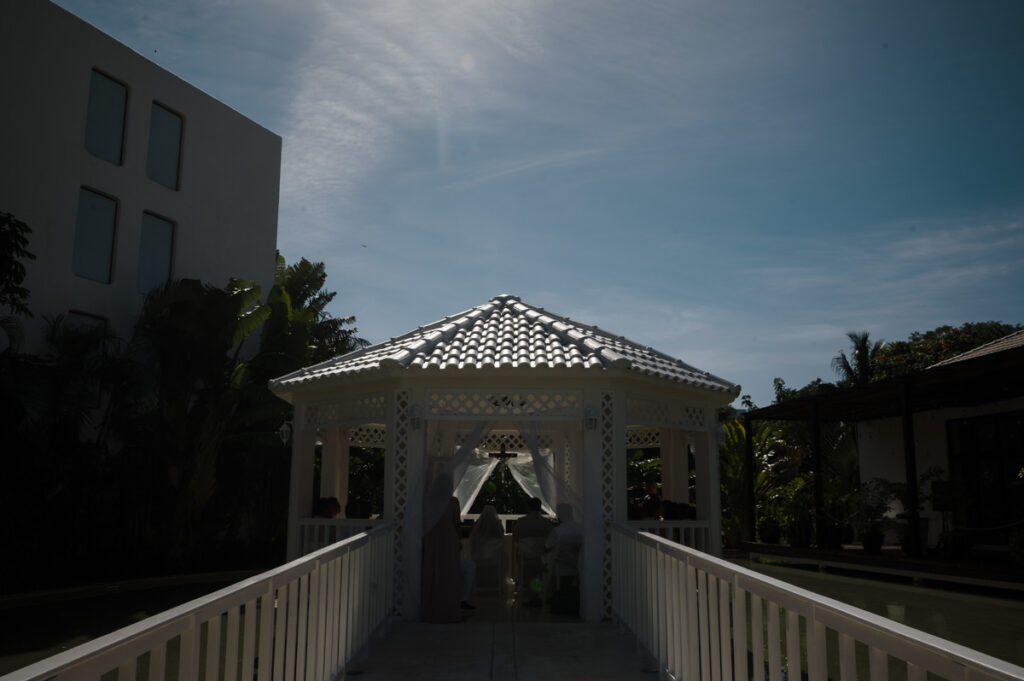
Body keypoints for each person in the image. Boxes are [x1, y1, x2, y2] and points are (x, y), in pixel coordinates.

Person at [421, 474, 471, 622]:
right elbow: (456, 523)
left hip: (432, 538)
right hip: (448, 539)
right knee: (449, 572)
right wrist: (459, 539)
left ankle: (431, 608)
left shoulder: (428, 501)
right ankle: (448, 609)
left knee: (433, 570)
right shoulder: (452, 502)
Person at [512, 497, 553, 604]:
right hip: (541, 558)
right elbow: (551, 540)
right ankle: (537, 592)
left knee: (520, 554)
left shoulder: (521, 522)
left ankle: (528, 590)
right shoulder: (547, 523)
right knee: (539, 568)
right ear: (540, 508)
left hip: (524, 558)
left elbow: (515, 538)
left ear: (528, 507)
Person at [469, 505, 508, 590]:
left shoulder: (478, 526)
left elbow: (473, 542)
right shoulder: (498, 525)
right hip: (495, 558)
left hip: (479, 557)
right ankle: (498, 584)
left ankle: (480, 583)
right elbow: (502, 539)